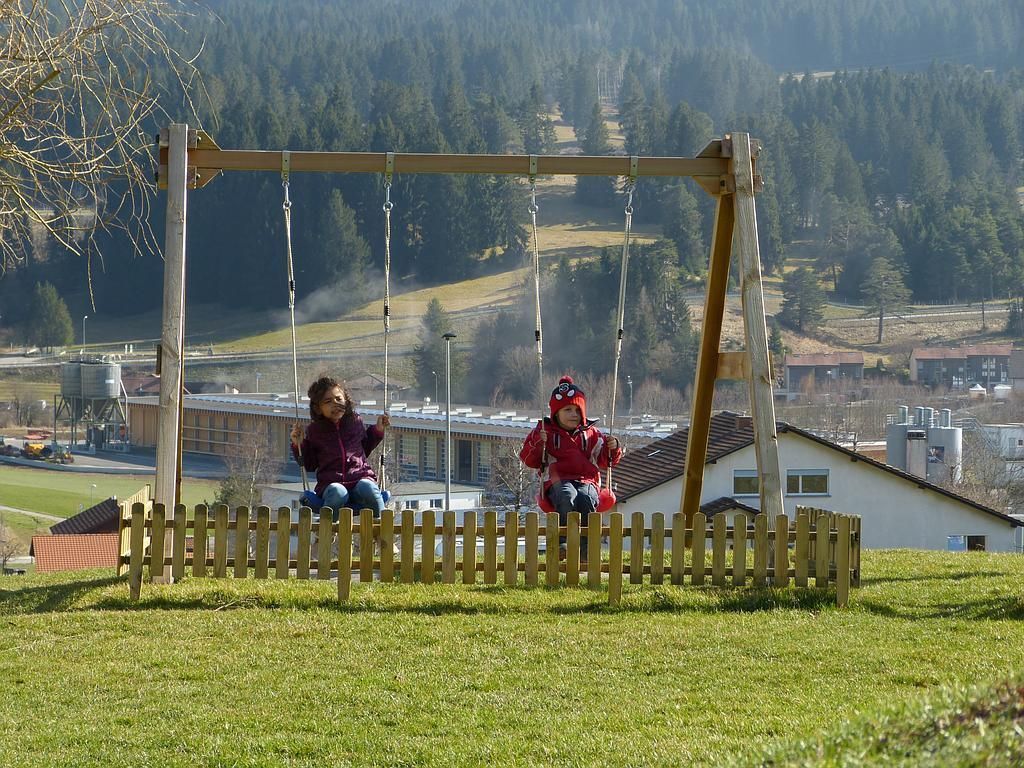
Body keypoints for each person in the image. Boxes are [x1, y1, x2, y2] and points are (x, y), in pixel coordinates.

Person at [519, 375, 622, 558]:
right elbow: (529, 459)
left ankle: (586, 548)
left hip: (587, 480)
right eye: (568, 409)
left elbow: (606, 461)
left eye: (577, 410)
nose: (574, 414)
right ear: (556, 413)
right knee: (567, 496)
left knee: (586, 499)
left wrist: (612, 448)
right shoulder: (545, 433)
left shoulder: (591, 434)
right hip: (557, 481)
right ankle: (562, 542)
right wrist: (538, 443)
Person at [290, 376, 390, 524]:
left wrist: (377, 430)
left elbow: (364, 448)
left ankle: (383, 529)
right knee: (338, 492)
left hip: (359, 478)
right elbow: (309, 464)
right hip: (331, 484)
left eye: (338, 399)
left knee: (368, 487)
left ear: (346, 401)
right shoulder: (315, 430)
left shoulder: (355, 422)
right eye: (328, 401)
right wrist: (299, 444)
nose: (335, 404)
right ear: (318, 408)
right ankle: (326, 530)